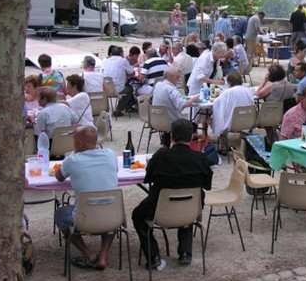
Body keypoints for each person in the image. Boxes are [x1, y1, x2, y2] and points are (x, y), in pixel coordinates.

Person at [132, 119, 213, 269]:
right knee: (188, 202)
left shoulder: (161, 156)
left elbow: (147, 179)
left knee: (137, 215)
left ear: (171, 137)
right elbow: (207, 186)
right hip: (191, 209)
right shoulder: (200, 158)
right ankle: (185, 253)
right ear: (191, 137)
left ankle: (153, 256)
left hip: (159, 209)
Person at [54, 126, 118, 270]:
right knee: (112, 212)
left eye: (74, 140)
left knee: (60, 214)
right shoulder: (110, 154)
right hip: (111, 216)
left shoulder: (72, 160)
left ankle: (88, 254)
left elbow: (59, 176)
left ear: (80, 143)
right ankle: (103, 255)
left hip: (84, 218)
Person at [152, 66, 200, 143]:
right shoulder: (172, 90)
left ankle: (166, 141)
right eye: (177, 77)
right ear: (171, 77)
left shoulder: (158, 85)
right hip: (171, 122)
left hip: (156, 120)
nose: (178, 79)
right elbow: (182, 105)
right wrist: (193, 99)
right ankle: (180, 144)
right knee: (193, 125)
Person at [102, 46, 135, 116]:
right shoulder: (122, 61)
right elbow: (132, 73)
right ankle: (119, 109)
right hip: (118, 89)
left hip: (105, 88)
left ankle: (122, 107)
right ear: (121, 53)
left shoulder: (105, 60)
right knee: (130, 89)